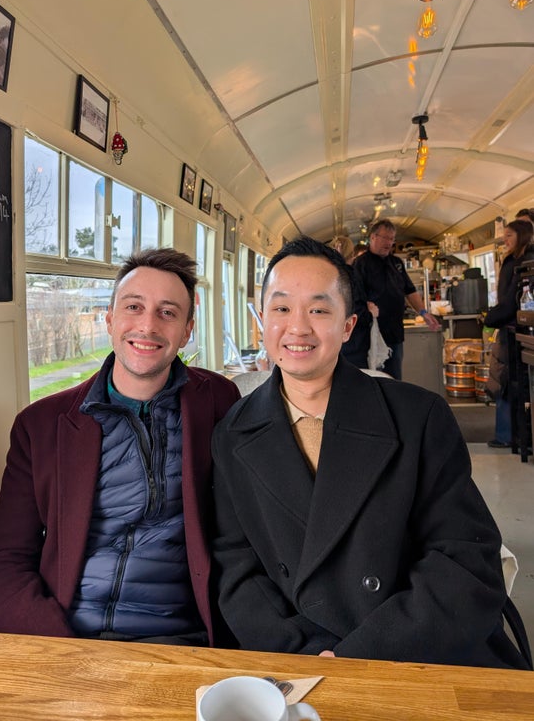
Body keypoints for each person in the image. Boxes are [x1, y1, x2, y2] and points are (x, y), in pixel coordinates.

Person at [211, 236, 531, 669]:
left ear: (348, 326)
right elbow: (236, 566)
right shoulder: (233, 432)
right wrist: (306, 655)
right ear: (262, 320)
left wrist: (361, 655)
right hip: (298, 659)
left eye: (319, 310)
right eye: (281, 308)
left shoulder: (418, 418)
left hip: (413, 650)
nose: (298, 327)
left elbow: (464, 558)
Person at [0, 247, 240, 645]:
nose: (147, 325)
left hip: (181, 641)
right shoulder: (42, 425)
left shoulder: (220, 402)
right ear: (110, 318)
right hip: (65, 637)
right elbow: (2, 561)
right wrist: (58, 648)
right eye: (134, 307)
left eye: (167, 312)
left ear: (187, 331)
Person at [353, 219, 440, 379]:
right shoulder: (360, 264)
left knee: (394, 378)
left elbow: (410, 291)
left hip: (394, 333)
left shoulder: (396, 263)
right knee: (373, 377)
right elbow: (355, 297)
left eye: (392, 239)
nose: (389, 243)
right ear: (373, 237)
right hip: (371, 334)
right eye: (385, 238)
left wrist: (423, 313)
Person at [484, 220, 534, 448]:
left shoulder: (520, 263)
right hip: (514, 326)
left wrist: (491, 318)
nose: (505, 240)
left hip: (512, 328)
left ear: (521, 236)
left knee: (505, 380)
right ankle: (517, 434)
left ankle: (508, 435)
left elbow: (510, 300)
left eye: (509, 235)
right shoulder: (515, 260)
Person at [329, 236, 373, 369]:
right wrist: (371, 313)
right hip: (354, 344)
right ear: (352, 255)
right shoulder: (352, 278)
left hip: (332, 340)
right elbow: (358, 313)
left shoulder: (326, 277)